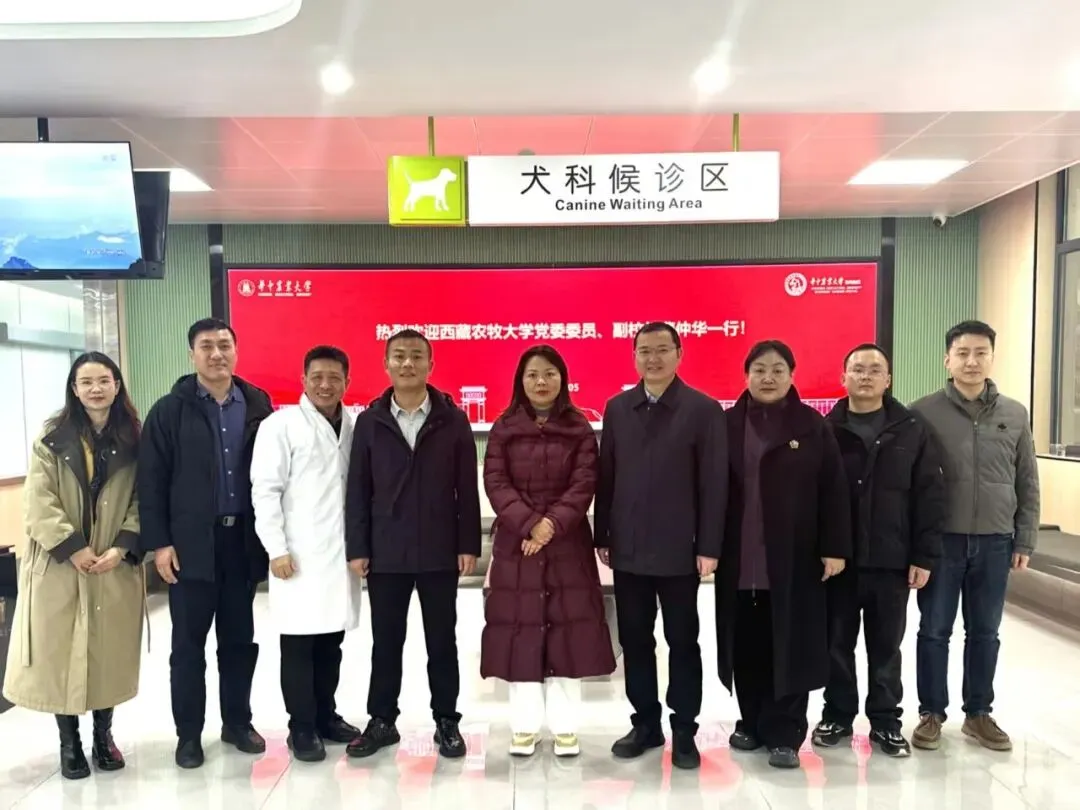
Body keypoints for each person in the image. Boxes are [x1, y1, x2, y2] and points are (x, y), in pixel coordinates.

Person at [138, 318, 274, 769]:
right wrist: (160, 543)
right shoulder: (169, 410)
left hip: (241, 542)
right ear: (191, 354)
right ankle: (189, 735)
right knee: (188, 648)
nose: (217, 354)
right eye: (206, 346)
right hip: (190, 545)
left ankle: (237, 722)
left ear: (236, 350)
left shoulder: (257, 404)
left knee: (239, 642)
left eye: (224, 345)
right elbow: (151, 482)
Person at [3, 352, 144, 780]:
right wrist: (74, 548)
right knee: (60, 652)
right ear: (74, 389)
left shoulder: (135, 437)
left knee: (108, 651)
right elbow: (39, 502)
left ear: (117, 385)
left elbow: (143, 497)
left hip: (112, 564)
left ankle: (103, 736)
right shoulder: (52, 437)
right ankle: (69, 743)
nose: (96, 389)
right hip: (62, 564)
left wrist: (122, 546)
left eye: (104, 380)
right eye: (86, 382)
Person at [594, 321, 726, 770]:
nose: (653, 358)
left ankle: (684, 729)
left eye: (662, 349)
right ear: (634, 356)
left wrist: (709, 545)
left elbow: (714, 484)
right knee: (635, 640)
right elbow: (607, 475)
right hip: (629, 548)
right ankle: (646, 724)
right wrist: (603, 533)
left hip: (680, 550)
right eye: (644, 351)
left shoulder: (703, 409)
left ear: (679, 353)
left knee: (682, 641)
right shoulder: (617, 408)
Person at [345, 328, 481, 759]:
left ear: (430, 364)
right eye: (400, 356)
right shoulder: (370, 421)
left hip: (440, 549)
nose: (408, 363)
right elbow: (358, 489)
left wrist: (468, 543)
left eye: (417, 356)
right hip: (386, 551)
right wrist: (357, 546)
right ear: (386, 364)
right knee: (386, 642)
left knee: (442, 641)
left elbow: (466, 487)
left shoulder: (452, 419)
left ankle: (447, 721)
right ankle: (382, 720)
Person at [716, 340, 852, 770]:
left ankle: (785, 732)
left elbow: (834, 490)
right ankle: (751, 721)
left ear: (792, 375)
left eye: (777, 369)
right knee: (746, 643)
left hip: (794, 557)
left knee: (790, 644)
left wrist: (834, 547)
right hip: (740, 557)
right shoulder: (726, 424)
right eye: (759, 369)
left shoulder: (812, 426)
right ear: (746, 375)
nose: (768, 377)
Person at [910, 320, 1040, 752]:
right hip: (942, 542)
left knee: (985, 632)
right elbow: (910, 484)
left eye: (980, 353)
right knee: (934, 630)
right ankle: (931, 712)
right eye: (962, 353)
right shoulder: (922, 412)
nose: (971, 361)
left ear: (991, 358)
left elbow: (1027, 479)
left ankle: (979, 713)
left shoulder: (1014, 414)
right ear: (947, 360)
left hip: (995, 540)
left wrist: (1025, 538)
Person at [481, 345, 616, 758]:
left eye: (550, 374)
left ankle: (565, 727)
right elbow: (496, 482)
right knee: (519, 633)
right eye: (532, 375)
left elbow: (585, 483)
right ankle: (523, 727)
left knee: (567, 634)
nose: (541, 382)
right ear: (520, 382)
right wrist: (529, 524)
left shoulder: (579, 427)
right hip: (517, 546)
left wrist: (551, 525)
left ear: (563, 380)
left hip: (567, 544)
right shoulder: (504, 426)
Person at [812, 343, 946, 757]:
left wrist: (923, 556)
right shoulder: (825, 429)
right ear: (843, 377)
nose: (866, 376)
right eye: (858, 369)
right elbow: (814, 498)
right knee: (836, 644)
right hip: (839, 560)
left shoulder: (912, 429)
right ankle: (837, 715)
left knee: (886, 648)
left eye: (875, 370)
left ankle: (886, 722)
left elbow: (929, 494)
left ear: (888, 379)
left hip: (892, 560)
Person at [251, 345, 362, 763]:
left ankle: (325, 716)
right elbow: (265, 491)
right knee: (299, 645)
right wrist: (276, 549)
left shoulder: (354, 425)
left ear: (347, 382)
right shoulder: (280, 425)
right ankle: (301, 727)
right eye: (317, 377)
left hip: (340, 556)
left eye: (334, 377)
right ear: (304, 380)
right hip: (296, 557)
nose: (325, 385)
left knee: (331, 642)